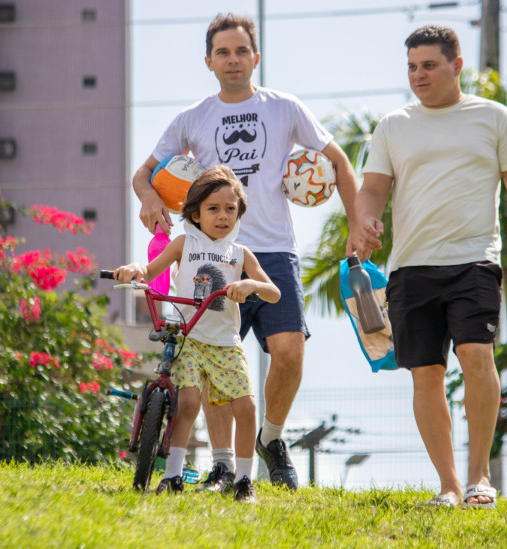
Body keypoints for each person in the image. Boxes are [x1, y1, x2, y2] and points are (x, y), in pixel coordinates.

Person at [132, 13, 361, 491]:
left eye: (241, 51)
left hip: (273, 250)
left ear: (255, 58)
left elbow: (337, 160)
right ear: (209, 61)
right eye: (223, 52)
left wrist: (358, 222)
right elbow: (144, 173)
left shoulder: (285, 107)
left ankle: (271, 439)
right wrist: (151, 198)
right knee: (216, 361)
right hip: (209, 254)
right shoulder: (192, 118)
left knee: (290, 350)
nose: (233, 59)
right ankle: (220, 467)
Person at [351, 25, 507, 509]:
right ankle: (449, 485)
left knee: (478, 357)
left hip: (475, 261)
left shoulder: (494, 118)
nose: (419, 75)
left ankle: (480, 477)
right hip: (410, 268)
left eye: (429, 65)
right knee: (426, 375)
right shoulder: (393, 125)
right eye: (412, 67)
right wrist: (366, 222)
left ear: (456, 66)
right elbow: (374, 188)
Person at [114, 166, 280, 502]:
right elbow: (150, 270)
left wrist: (251, 284)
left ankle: (244, 481)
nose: (222, 216)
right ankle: (172, 475)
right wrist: (135, 269)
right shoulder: (183, 243)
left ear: (239, 213)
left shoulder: (240, 254)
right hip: (188, 338)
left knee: (246, 408)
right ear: (195, 213)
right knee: (187, 403)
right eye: (213, 209)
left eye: (230, 209)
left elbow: (273, 292)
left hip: (226, 345)